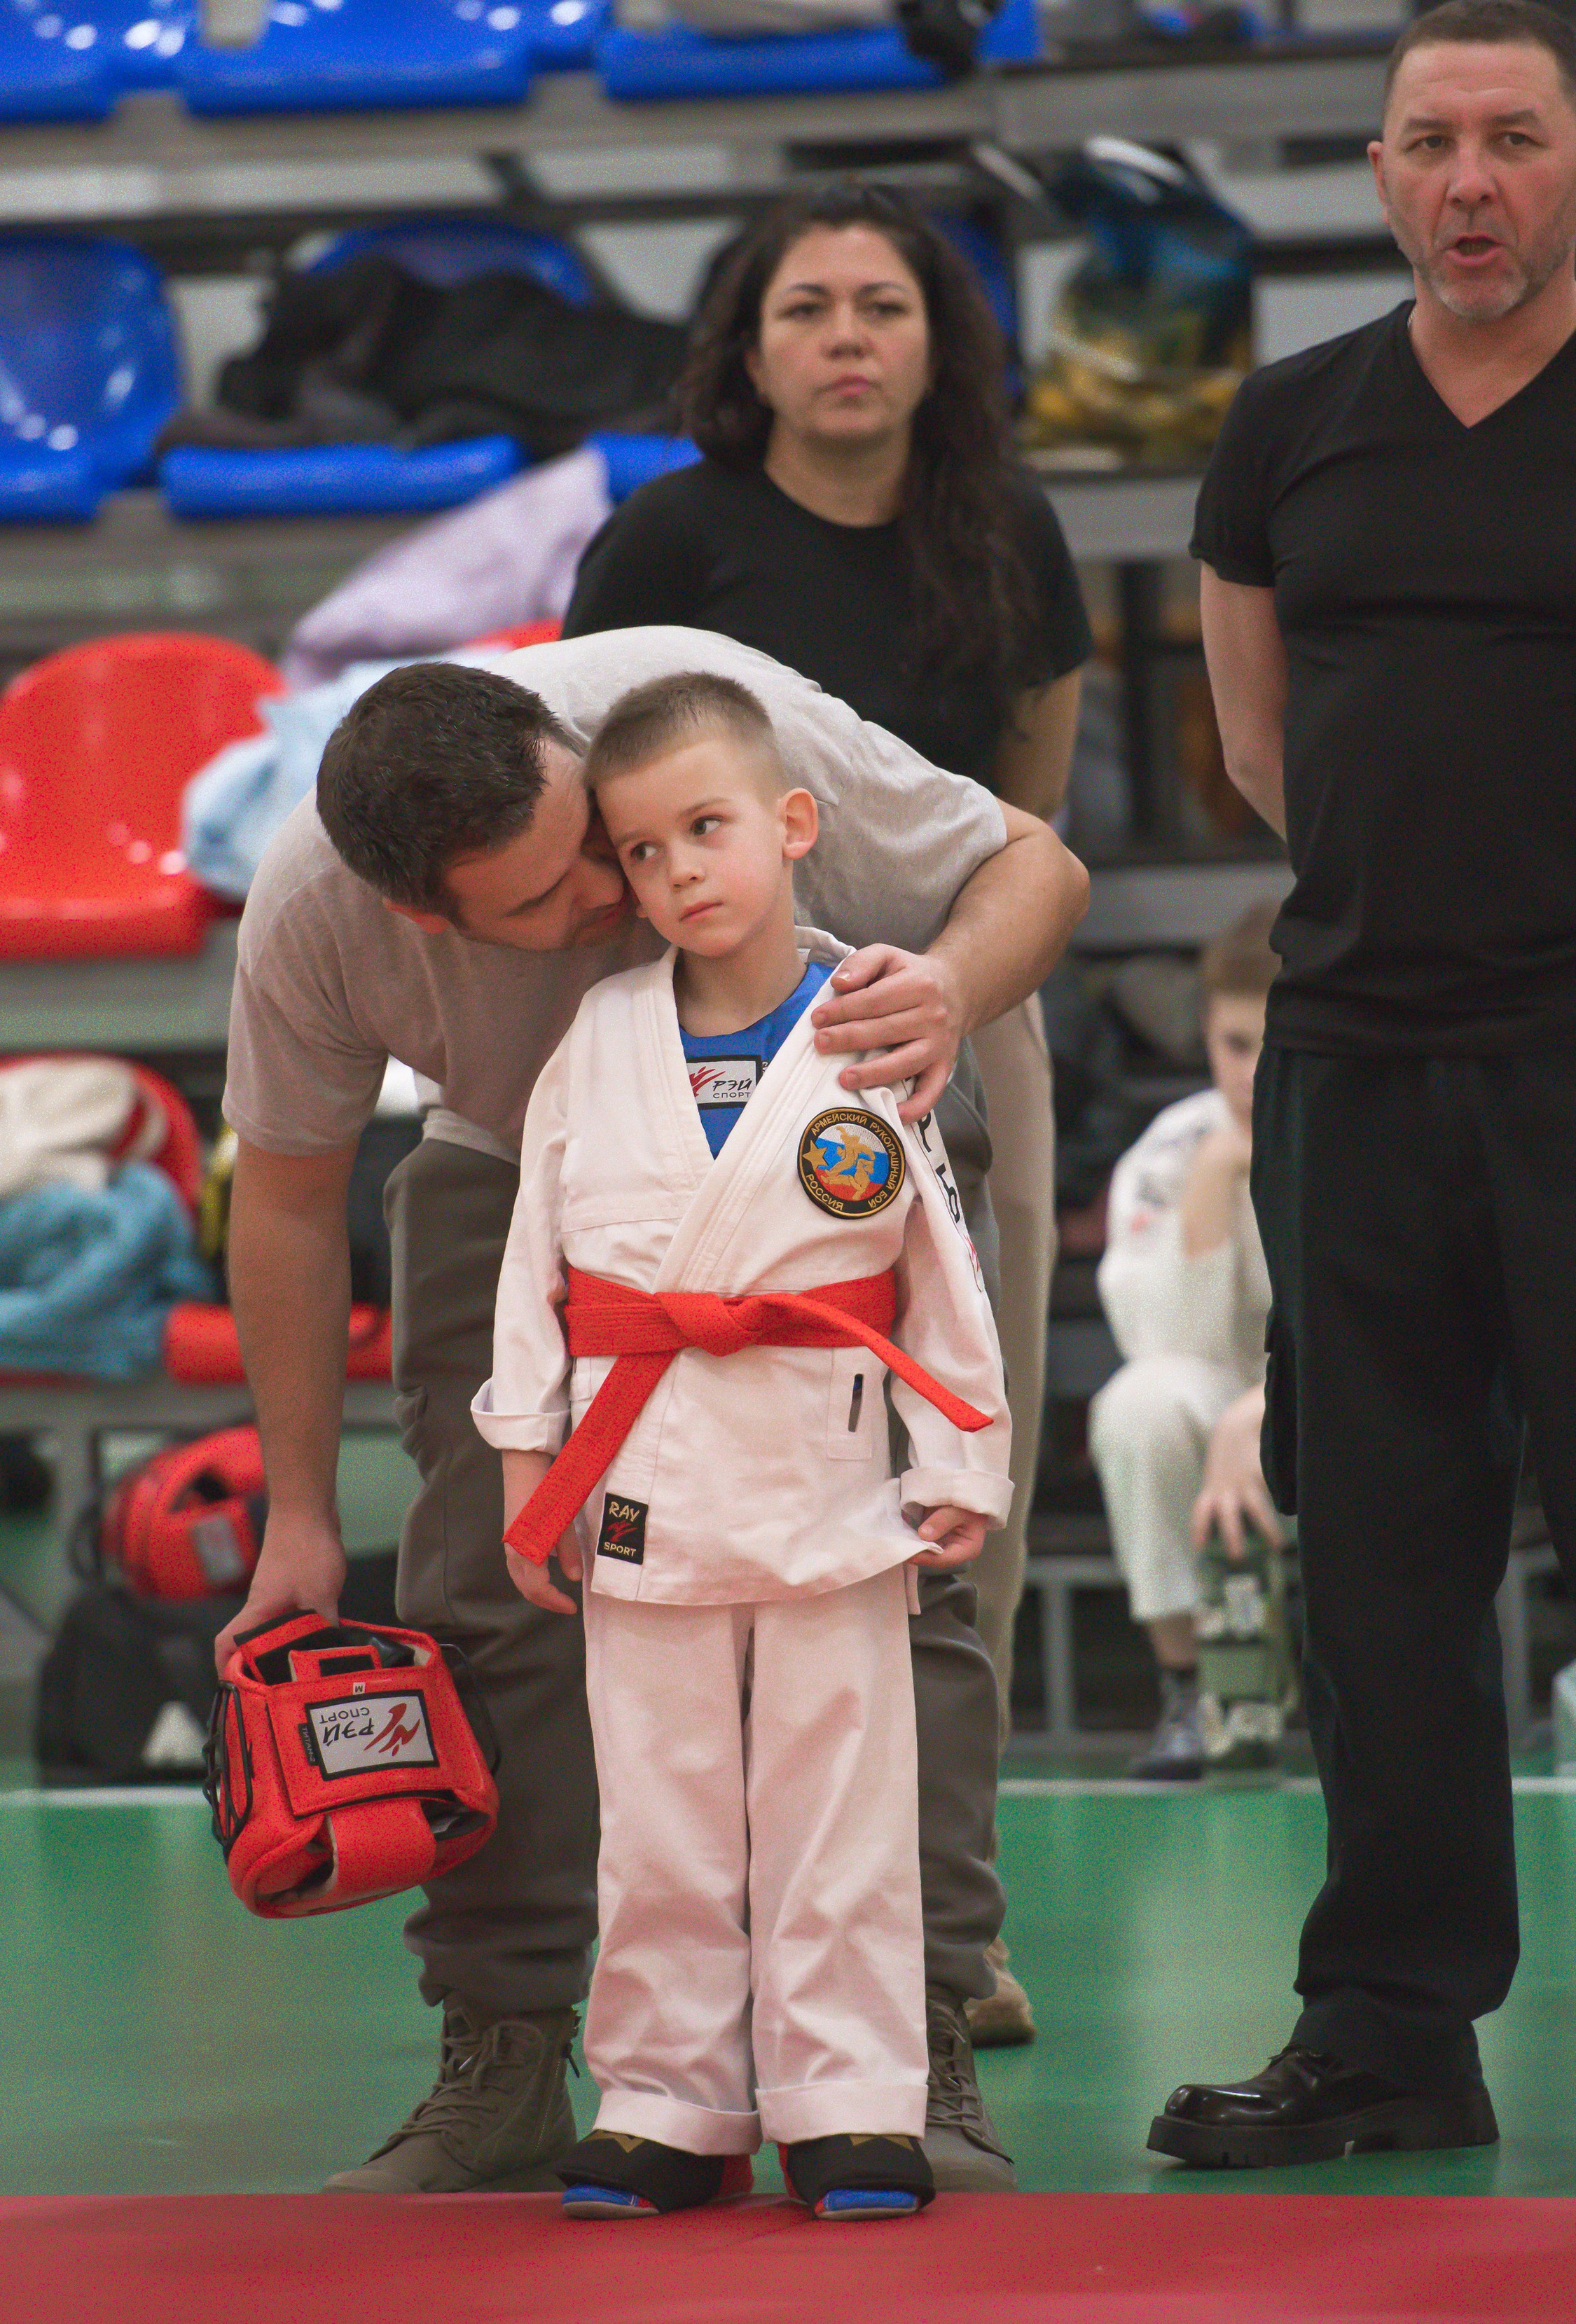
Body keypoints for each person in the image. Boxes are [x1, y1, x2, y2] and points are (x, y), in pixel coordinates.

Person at [211, 624, 1087, 2197]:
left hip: (832, 1108)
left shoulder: (700, 719)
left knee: (905, 1579)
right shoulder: (323, 916)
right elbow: (282, 1199)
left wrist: (946, 986)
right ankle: (507, 2039)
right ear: (426, 915)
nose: (622, 895)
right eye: (552, 896)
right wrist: (289, 1510)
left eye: (599, 842)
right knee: (488, 1581)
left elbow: (1034, 867)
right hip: (522, 1155)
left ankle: (920, 2029)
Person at [1148, 0, 1576, 2183]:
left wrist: (1575, 919)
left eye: (1512, 138)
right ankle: (1391, 2025)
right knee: (1375, 1557)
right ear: (1382, 173)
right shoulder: (1288, 422)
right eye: (1427, 141)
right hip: (1349, 1062)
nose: (1466, 180)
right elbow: (1254, 744)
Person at [563, 183, 1092, 2046]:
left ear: (940, 343)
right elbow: (598, 786)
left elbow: (1027, 797)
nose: (848, 335)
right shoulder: (669, 534)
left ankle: (948, 1934)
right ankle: (713, 1947)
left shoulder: (1008, 527)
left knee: (961, 1483)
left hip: (941, 1021)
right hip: (706, 1063)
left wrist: (954, 975)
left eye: (885, 303)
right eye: (808, 306)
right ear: (751, 343)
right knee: (709, 1503)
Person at [477, 672, 1013, 2221]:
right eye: (640, 853)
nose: (677, 874)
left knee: (838, 1811)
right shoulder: (599, 1037)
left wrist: (956, 1458)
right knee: (656, 1819)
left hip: (832, 1476)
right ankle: (664, 2102)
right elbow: (536, 1265)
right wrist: (527, 1459)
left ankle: (848, 2101)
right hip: (639, 1479)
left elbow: (936, 1262)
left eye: (705, 830)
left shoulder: (869, 1020)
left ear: (791, 827)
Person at [1090, 904, 1279, 1782]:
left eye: (1275, 1045)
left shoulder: (1373, 1130)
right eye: (1235, 1045)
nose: (1252, 1073)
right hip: (1216, 1412)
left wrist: (1274, 1399)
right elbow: (1161, 1345)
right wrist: (1213, 1180)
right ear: (1205, 1032)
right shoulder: (1170, 1150)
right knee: (1140, 1405)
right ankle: (1187, 1687)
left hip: (1349, 1399)